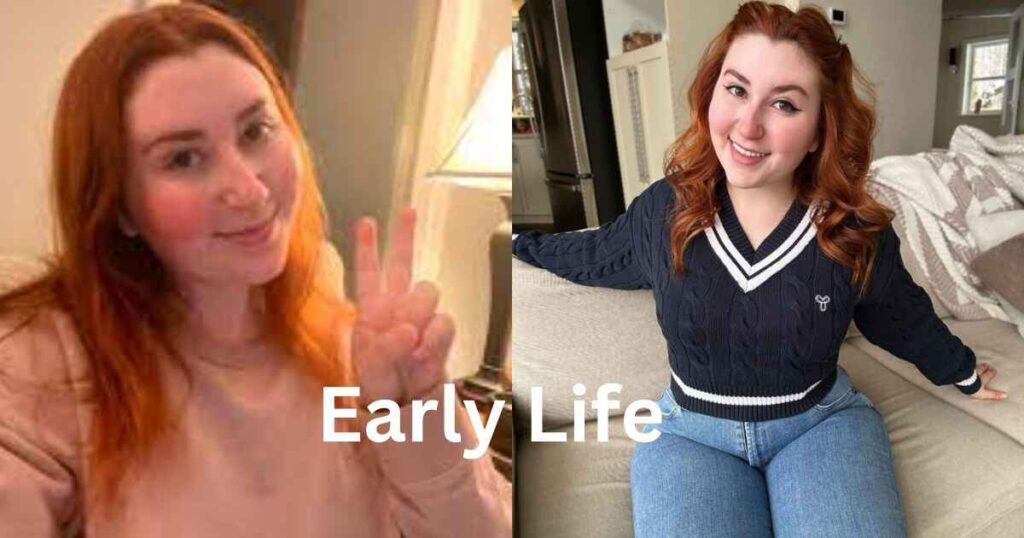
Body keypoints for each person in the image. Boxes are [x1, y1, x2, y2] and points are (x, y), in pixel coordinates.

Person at [0, 4, 511, 536]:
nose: (249, 189)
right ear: (120, 206)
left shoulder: (355, 350)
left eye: (256, 130)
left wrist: (418, 414)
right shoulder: (37, 363)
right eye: (183, 158)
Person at [512, 2, 1008, 537]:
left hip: (821, 424)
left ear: (821, 129)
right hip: (690, 434)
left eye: (785, 105)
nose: (748, 126)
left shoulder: (852, 231)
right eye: (736, 89)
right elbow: (595, 255)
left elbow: (900, 314)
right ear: (711, 93)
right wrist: (514, 241)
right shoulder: (663, 212)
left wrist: (960, 371)